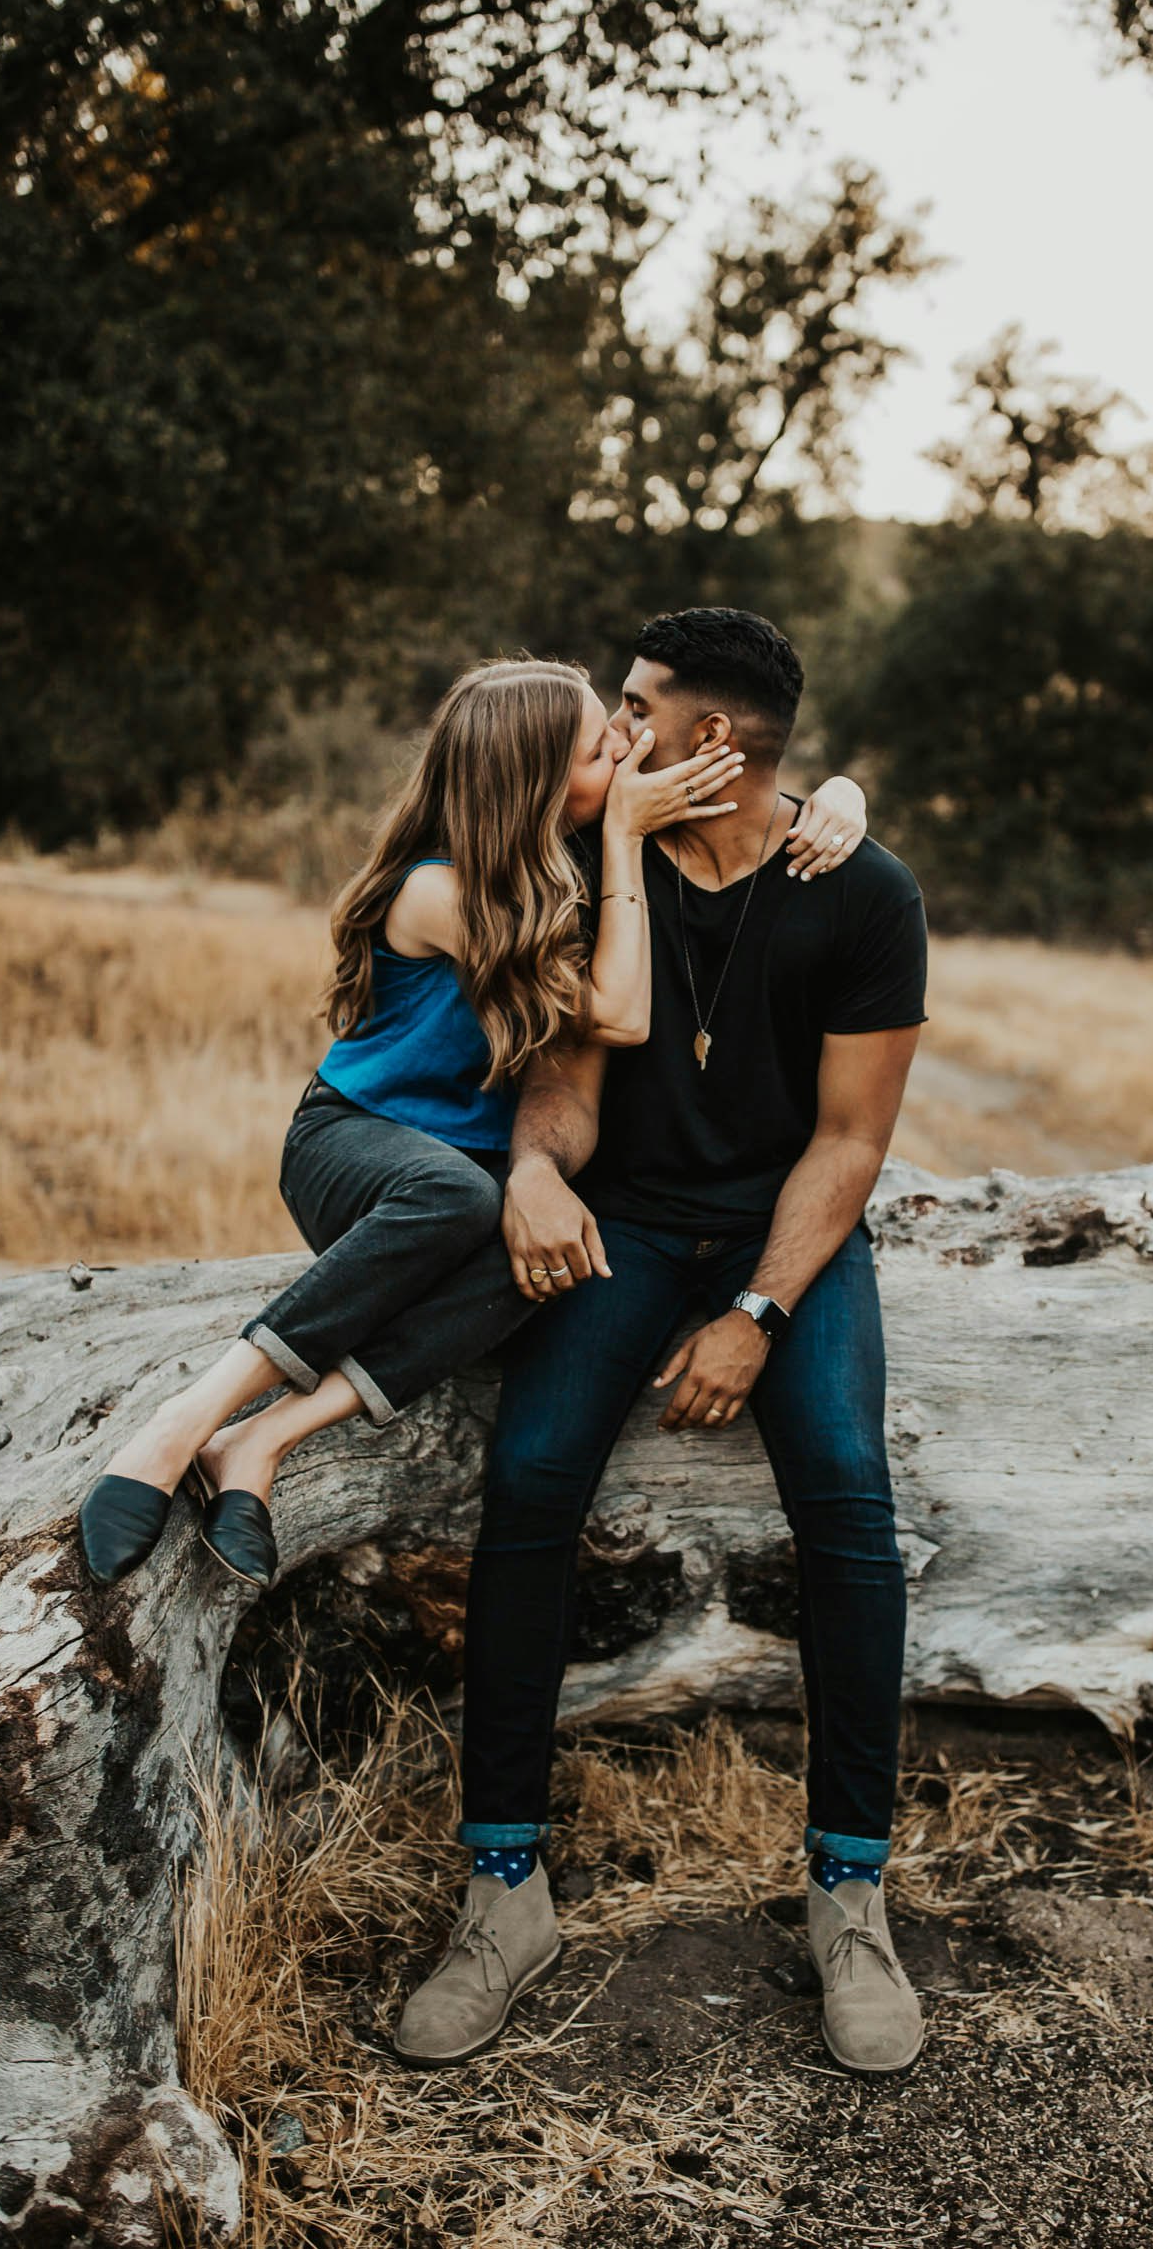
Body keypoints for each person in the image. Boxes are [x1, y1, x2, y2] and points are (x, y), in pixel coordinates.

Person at [392, 608, 927, 2078]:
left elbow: (850, 1140)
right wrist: (537, 1169)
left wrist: (756, 1313)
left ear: (713, 738)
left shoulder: (863, 891)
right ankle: (504, 1887)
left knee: (847, 1493)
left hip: (788, 1239)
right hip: (624, 1220)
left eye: (635, 705)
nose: (612, 728)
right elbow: (564, 1079)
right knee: (535, 1469)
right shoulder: (587, 862)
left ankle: (849, 1884)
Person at [77, 653, 868, 1588]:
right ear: (532, 782)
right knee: (456, 1193)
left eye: (620, 728)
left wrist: (844, 797)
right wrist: (619, 837)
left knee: (552, 1260)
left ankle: (258, 1445)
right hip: (355, 1141)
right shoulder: (442, 891)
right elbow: (619, 1015)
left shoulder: (556, 860)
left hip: (462, 1186)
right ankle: (183, 1422)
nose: (627, 744)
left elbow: (751, 786)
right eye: (597, 744)